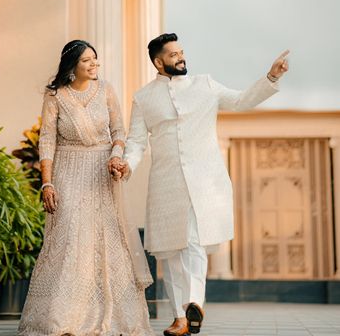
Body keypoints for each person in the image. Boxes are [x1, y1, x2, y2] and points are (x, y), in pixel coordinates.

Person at [110, 33, 289, 335]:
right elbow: (138, 142)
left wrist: (270, 76)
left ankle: (193, 304)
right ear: (158, 61)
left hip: (205, 182)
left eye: (181, 52)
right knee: (172, 252)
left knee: (193, 243)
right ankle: (181, 317)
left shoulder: (205, 84)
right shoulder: (143, 98)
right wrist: (127, 165)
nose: (181, 57)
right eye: (173, 54)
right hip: (166, 184)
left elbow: (241, 101)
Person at [18, 40, 154, 336]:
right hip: (67, 170)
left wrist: (116, 155)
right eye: (87, 61)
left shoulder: (106, 90)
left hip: (101, 170)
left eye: (95, 60)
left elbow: (119, 131)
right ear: (72, 66)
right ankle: (61, 318)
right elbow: (47, 141)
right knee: (68, 238)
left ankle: (113, 316)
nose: (94, 65)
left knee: (105, 239)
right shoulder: (55, 95)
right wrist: (47, 182)